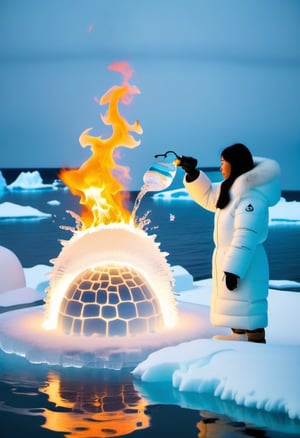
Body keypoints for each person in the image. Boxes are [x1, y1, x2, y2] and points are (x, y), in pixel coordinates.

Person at [180, 143, 281, 343]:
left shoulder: (251, 196)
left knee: (249, 302)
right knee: (236, 301)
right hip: (231, 257)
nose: (220, 167)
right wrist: (192, 174)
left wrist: (234, 269)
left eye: (223, 162)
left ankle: (255, 340)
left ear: (234, 164)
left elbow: (247, 234)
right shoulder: (231, 189)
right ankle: (238, 334)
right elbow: (209, 197)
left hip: (245, 261)